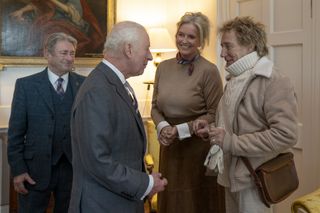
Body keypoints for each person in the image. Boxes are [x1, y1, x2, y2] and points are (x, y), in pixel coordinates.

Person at [194, 16, 298, 213]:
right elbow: (234, 123)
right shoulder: (236, 78)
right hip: (231, 175)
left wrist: (231, 142)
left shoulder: (273, 81)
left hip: (253, 178)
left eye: (228, 46)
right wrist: (213, 131)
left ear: (249, 45)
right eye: (222, 46)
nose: (222, 53)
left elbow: (286, 135)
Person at [68, 21, 168, 213]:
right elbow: (97, 161)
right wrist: (145, 183)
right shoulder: (97, 90)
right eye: (146, 48)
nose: (149, 55)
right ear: (129, 49)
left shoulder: (112, 84)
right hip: (102, 205)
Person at [151, 12, 225, 213]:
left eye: (191, 37)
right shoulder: (163, 67)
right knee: (171, 197)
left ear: (201, 41)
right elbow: (155, 107)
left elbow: (215, 113)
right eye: (181, 34)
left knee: (195, 200)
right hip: (170, 146)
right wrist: (164, 127)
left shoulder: (209, 70)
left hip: (197, 148)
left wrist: (182, 130)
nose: (184, 40)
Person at [7, 32, 85, 213]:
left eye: (72, 53)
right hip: (34, 171)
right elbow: (15, 134)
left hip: (72, 170)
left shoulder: (84, 85)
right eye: (63, 53)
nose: (69, 58)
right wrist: (18, 170)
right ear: (47, 54)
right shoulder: (26, 86)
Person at [9, 0, 104, 56]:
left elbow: (73, 12)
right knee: (39, 27)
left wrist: (54, 1)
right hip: (50, 17)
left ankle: (55, 55)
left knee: (52, 29)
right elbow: (39, 4)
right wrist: (21, 11)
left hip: (69, 21)